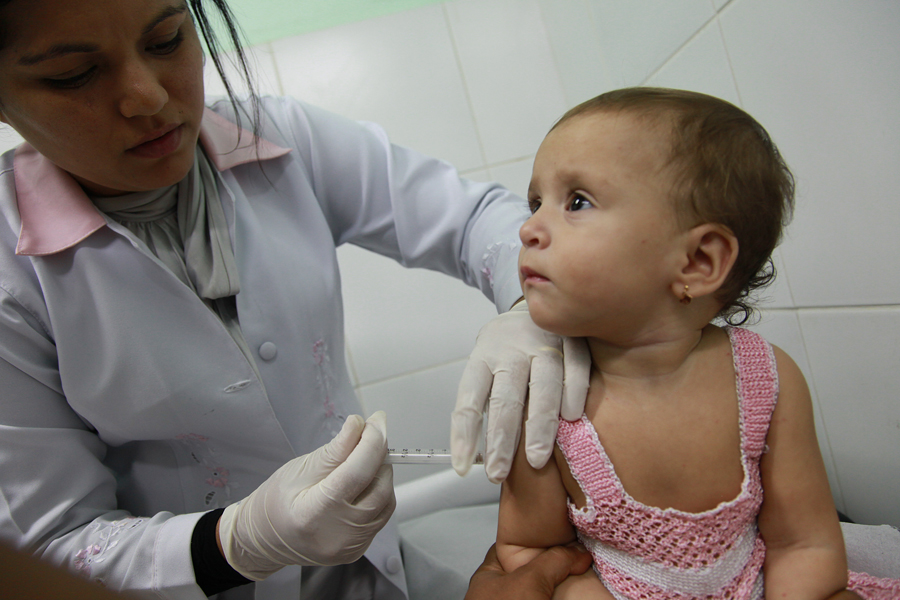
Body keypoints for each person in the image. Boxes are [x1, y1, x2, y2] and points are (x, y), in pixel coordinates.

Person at [0, 0, 590, 598]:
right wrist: (237, 541)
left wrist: (526, 306)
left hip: (380, 571)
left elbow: (475, 219)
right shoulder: (12, 279)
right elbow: (53, 545)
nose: (148, 96)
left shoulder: (275, 137)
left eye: (166, 40)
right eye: (73, 75)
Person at [495, 88, 900, 599]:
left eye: (576, 201)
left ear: (698, 262)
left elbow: (803, 545)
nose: (529, 227)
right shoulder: (540, 403)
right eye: (535, 203)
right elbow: (531, 551)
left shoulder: (764, 379)